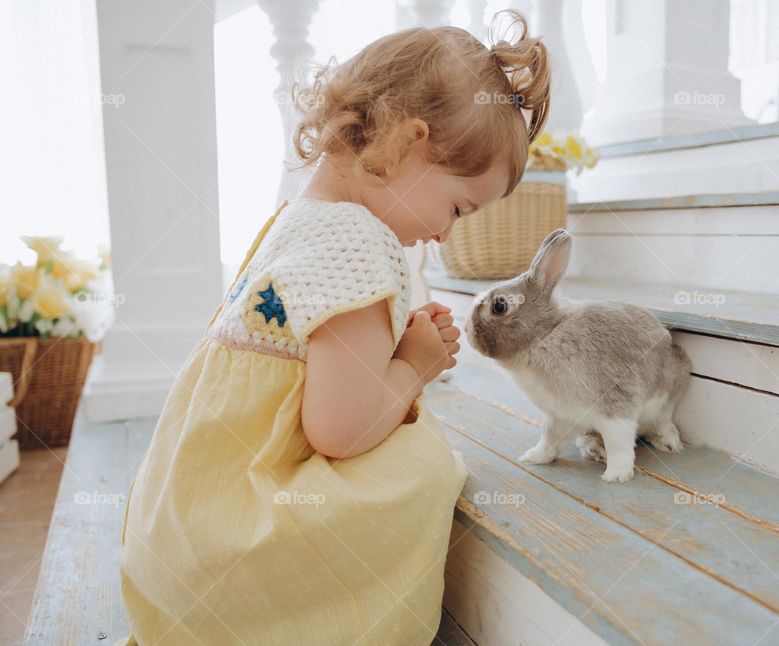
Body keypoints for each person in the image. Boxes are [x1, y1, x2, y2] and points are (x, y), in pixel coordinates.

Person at [116, 8, 550, 644]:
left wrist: (392, 349)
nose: (444, 232)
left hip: (180, 534)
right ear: (409, 143)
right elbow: (340, 430)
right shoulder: (356, 242)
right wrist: (415, 367)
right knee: (427, 465)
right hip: (238, 549)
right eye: (457, 206)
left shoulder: (295, 220)